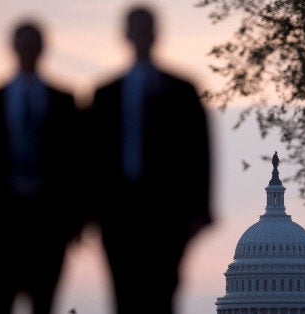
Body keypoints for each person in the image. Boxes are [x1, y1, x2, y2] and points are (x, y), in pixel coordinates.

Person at [88, 5, 213, 314]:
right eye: (137, 29)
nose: (142, 35)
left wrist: (200, 210)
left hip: (167, 213)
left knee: (163, 296)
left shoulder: (183, 90)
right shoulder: (104, 94)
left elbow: (199, 153)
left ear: (157, 34)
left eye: (147, 29)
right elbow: (90, 159)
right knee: (123, 296)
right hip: (118, 212)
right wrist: (90, 212)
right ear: (126, 35)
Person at [0, 19, 86, 314]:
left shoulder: (65, 101)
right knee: (0, 301)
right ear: (13, 48)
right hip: (2, 222)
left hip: (50, 225)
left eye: (34, 45)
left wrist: (74, 222)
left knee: (44, 302)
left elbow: (77, 167)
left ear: (44, 49)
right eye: (25, 45)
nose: (29, 51)